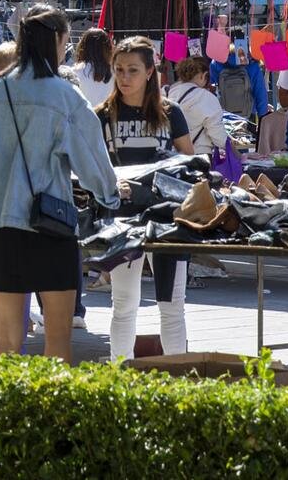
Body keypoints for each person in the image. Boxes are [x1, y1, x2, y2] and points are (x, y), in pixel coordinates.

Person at [0, 6, 119, 360]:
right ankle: (48, 415)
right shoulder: (64, 96)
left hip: (0, 228)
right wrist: (112, 195)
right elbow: (94, 166)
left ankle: (2, 414)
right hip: (51, 226)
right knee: (58, 341)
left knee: (5, 342)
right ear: (60, 41)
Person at [96, 36, 194, 361]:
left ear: (150, 71)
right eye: (119, 70)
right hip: (123, 219)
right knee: (123, 304)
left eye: (133, 70)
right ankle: (119, 374)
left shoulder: (171, 113)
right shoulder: (102, 115)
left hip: (167, 218)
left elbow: (188, 161)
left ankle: (178, 380)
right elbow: (95, 165)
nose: (125, 78)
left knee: (172, 304)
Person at [166, 56, 226, 160]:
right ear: (204, 75)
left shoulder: (166, 93)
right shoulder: (206, 97)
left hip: (170, 157)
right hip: (199, 157)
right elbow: (219, 138)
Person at [71, 27, 115, 108]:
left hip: (85, 117)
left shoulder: (75, 71)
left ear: (83, 46)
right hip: (109, 116)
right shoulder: (115, 71)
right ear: (108, 47)